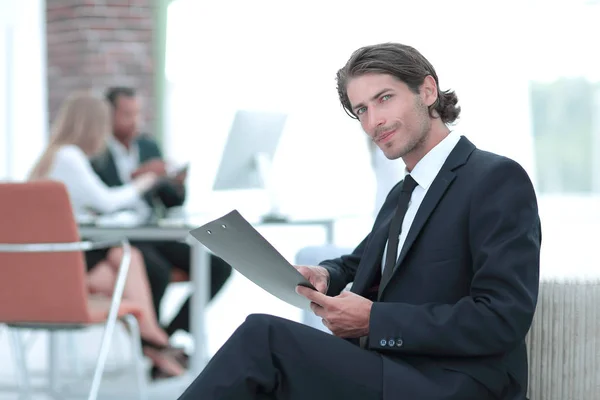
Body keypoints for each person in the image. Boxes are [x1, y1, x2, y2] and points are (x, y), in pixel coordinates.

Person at [177, 42, 542, 400]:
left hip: (455, 383)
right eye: (361, 110)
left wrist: (375, 321)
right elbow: (358, 261)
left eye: (385, 98)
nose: (374, 122)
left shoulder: (495, 179)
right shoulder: (405, 192)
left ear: (428, 90)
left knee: (264, 339)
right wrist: (326, 275)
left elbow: (502, 317)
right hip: (393, 371)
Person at [29, 90, 187, 379]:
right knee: (126, 256)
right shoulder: (70, 156)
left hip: (43, 264)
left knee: (123, 257)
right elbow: (106, 201)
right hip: (60, 264)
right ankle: (155, 340)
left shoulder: (50, 158)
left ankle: (154, 342)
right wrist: (147, 180)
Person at [90, 87, 232, 338]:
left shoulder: (147, 146)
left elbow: (171, 202)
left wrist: (175, 183)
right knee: (156, 270)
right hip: (122, 236)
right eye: (126, 114)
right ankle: (151, 345)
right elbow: (100, 201)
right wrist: (137, 181)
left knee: (218, 267)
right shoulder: (95, 152)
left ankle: (168, 335)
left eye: (136, 114)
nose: (134, 121)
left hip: (154, 231)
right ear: (108, 115)